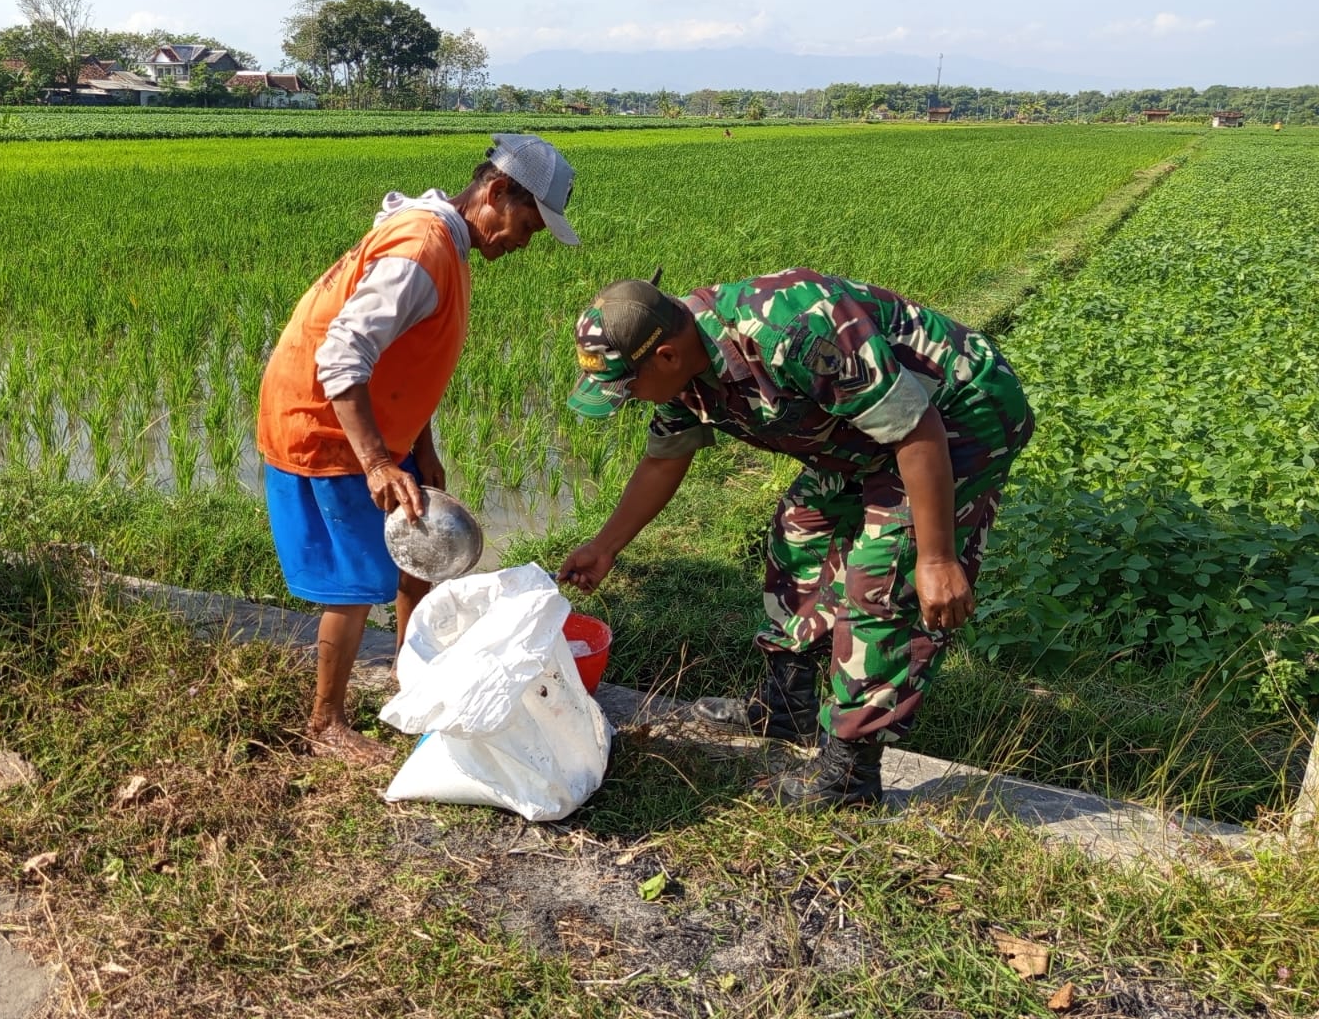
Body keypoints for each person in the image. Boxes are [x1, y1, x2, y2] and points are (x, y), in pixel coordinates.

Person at [557, 269, 1033, 808]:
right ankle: (787, 706)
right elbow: (663, 461)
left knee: (883, 578)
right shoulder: (683, 369)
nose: (630, 399)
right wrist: (605, 547)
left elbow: (915, 428)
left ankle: (850, 775)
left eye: (628, 387)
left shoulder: (795, 331)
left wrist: (937, 556)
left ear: (666, 355)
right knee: (800, 527)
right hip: (864, 431)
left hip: (956, 416)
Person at [257, 135, 580, 767]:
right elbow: (343, 355)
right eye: (528, 224)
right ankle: (324, 723)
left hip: (377, 423)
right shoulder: (422, 249)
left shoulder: (449, 246)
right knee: (355, 585)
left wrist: (419, 448)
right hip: (328, 424)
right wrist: (378, 462)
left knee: (421, 554)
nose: (524, 242)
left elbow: (407, 359)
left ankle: (414, 682)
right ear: (496, 193)